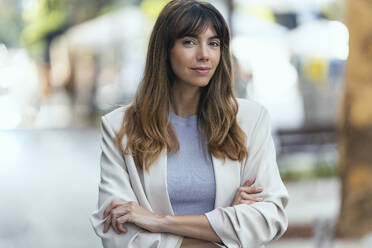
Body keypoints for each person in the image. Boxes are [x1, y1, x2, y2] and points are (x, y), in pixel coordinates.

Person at [90, 0, 289, 247]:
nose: (204, 54)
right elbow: (118, 232)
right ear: (164, 50)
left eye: (213, 43)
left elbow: (268, 218)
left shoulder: (250, 120)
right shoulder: (120, 127)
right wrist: (224, 229)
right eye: (189, 42)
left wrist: (159, 221)